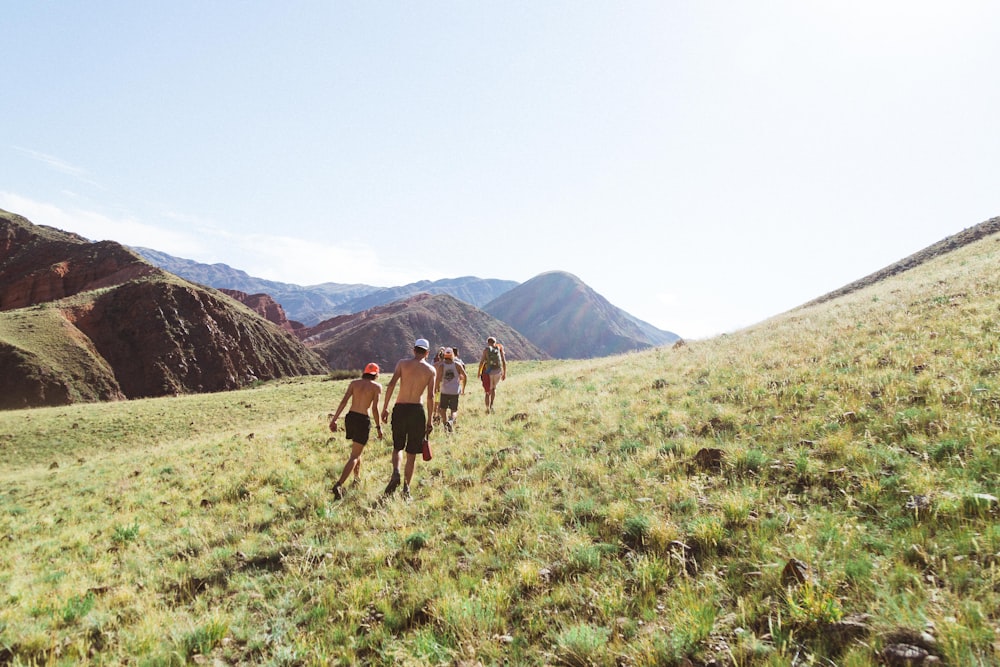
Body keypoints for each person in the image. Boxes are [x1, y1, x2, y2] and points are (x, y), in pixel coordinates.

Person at [380, 338, 437, 498]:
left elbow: (391, 385)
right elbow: (431, 397)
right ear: (427, 353)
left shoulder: (402, 364)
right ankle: (406, 489)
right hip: (416, 411)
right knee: (411, 453)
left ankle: (396, 472)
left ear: (414, 350)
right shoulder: (431, 370)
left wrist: (384, 408)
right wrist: (430, 420)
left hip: (400, 408)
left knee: (398, 447)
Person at [328, 362, 383, 499]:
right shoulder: (376, 387)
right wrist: (379, 427)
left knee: (357, 451)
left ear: (364, 372)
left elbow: (344, 401)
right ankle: (339, 484)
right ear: (376, 374)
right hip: (363, 420)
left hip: (351, 418)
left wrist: (334, 419)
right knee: (354, 455)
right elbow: (375, 409)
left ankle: (357, 478)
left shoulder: (354, 383)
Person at [435, 347, 467, 432]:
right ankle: (451, 421)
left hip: (444, 391)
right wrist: (463, 388)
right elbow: (465, 376)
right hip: (454, 391)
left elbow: (438, 379)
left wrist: (436, 389)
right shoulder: (457, 365)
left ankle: (445, 424)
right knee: (454, 410)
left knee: (443, 409)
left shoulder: (442, 366)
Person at [478, 336, 507, 413]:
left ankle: (487, 409)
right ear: (495, 342)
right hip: (498, 371)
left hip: (488, 372)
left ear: (488, 343)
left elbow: (481, 362)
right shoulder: (499, 348)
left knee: (487, 391)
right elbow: (504, 361)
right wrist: (504, 373)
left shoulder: (486, 350)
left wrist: (479, 372)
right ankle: (492, 405)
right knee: (494, 388)